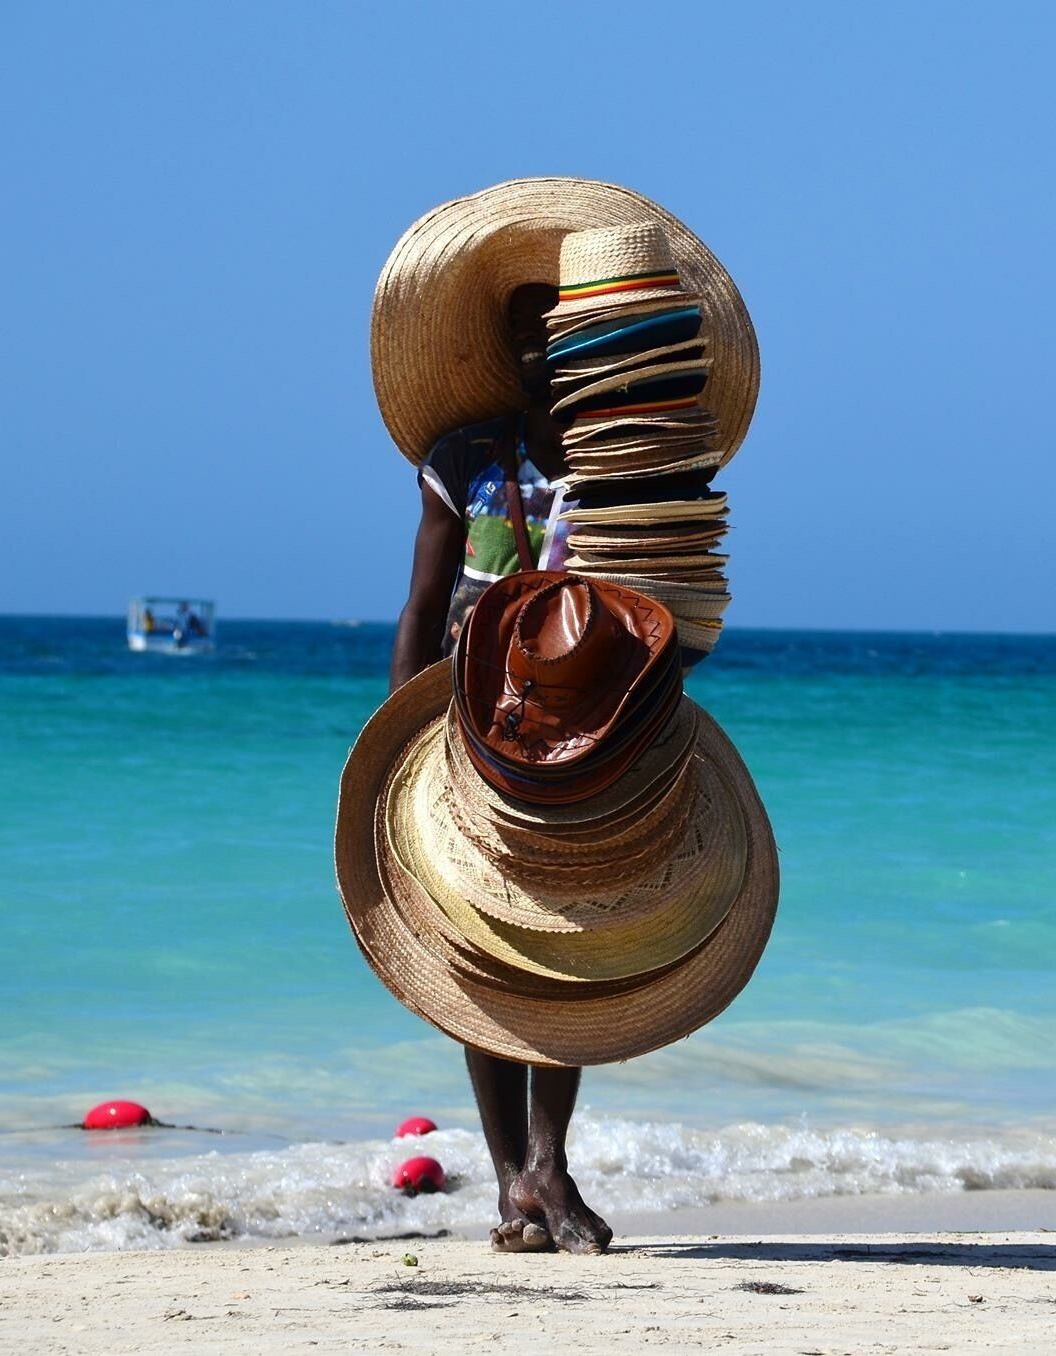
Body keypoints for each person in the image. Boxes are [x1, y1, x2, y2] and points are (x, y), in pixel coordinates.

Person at [387, 283, 613, 1255]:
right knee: (481, 951)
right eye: (522, 331)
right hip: (467, 732)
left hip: (589, 737)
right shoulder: (465, 462)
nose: (538, 348)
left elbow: (666, 613)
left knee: (563, 948)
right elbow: (422, 605)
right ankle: (513, 1179)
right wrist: (398, 747)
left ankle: (547, 1163)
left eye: (553, 329)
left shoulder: (624, 469)